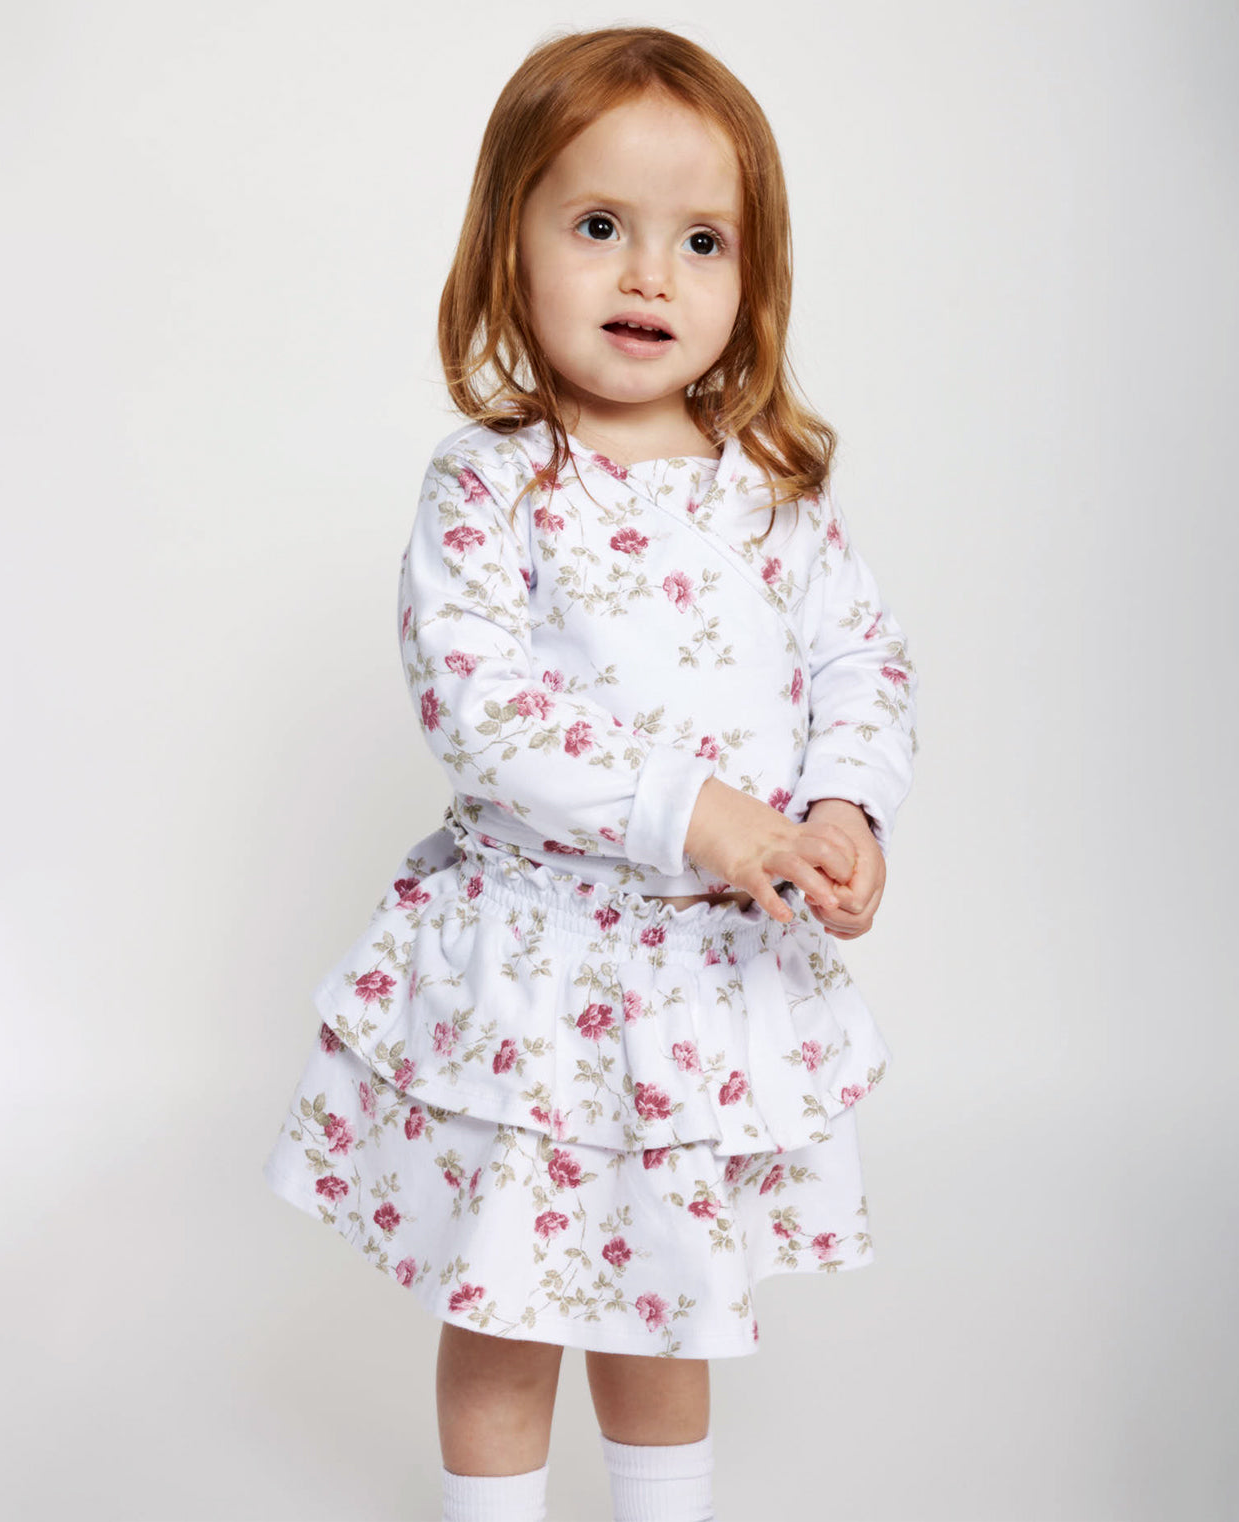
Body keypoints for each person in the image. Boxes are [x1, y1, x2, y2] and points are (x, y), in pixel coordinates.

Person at [262, 24, 918, 1522]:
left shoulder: (772, 495)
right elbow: (482, 707)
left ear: (752, 279)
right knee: (509, 1300)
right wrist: (701, 812)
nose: (651, 277)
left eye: (702, 241)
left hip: (699, 980)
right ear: (511, 244)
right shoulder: (492, 484)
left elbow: (862, 662)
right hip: (538, 975)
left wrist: (842, 806)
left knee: (666, 1294)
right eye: (601, 226)